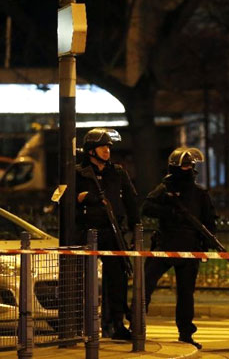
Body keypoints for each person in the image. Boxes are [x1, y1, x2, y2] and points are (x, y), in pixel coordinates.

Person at [142, 147, 216, 350]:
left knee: (186, 295)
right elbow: (146, 208)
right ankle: (137, 327)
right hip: (164, 247)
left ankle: (185, 334)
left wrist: (205, 245)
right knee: (144, 287)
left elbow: (210, 222)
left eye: (189, 165)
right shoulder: (164, 189)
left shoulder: (200, 193)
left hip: (190, 249)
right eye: (184, 165)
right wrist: (169, 212)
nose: (188, 169)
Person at [75, 128, 139, 340]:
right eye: (103, 147)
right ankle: (80, 324)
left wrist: (134, 228)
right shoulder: (78, 172)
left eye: (109, 147)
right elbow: (61, 201)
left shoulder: (117, 172)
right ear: (91, 150)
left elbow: (131, 201)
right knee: (83, 280)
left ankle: (116, 324)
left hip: (113, 232)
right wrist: (83, 198)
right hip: (87, 233)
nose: (107, 151)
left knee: (117, 280)